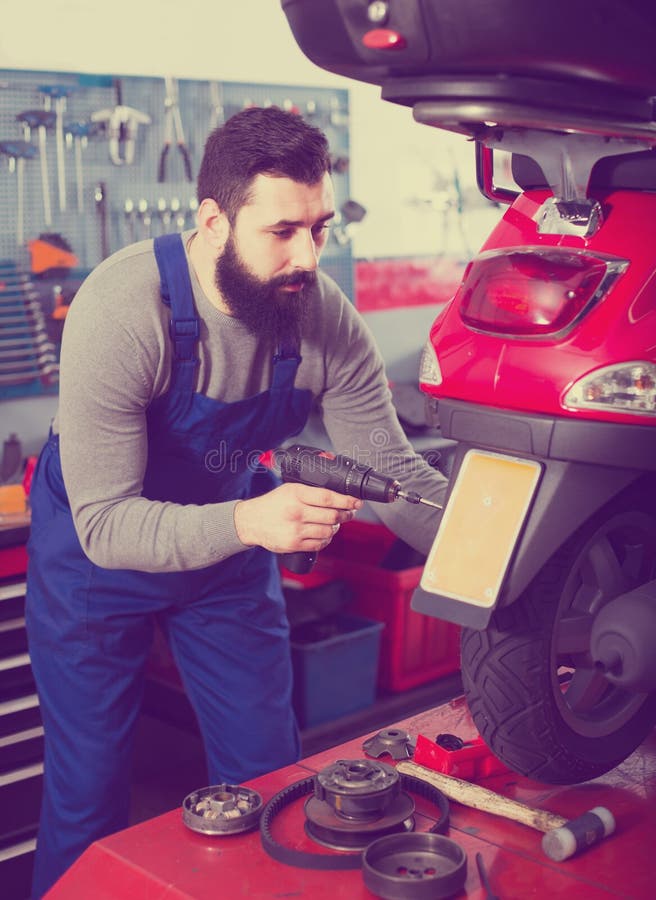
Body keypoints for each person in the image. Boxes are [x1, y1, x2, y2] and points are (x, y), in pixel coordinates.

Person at [25, 105, 447, 897]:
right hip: (95, 561)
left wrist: (497, 557)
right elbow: (109, 523)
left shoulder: (319, 318)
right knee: (88, 796)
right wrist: (255, 520)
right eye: (283, 231)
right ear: (214, 221)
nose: (309, 256)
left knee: (271, 776)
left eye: (320, 228)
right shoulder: (122, 311)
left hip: (223, 558)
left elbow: (395, 471)